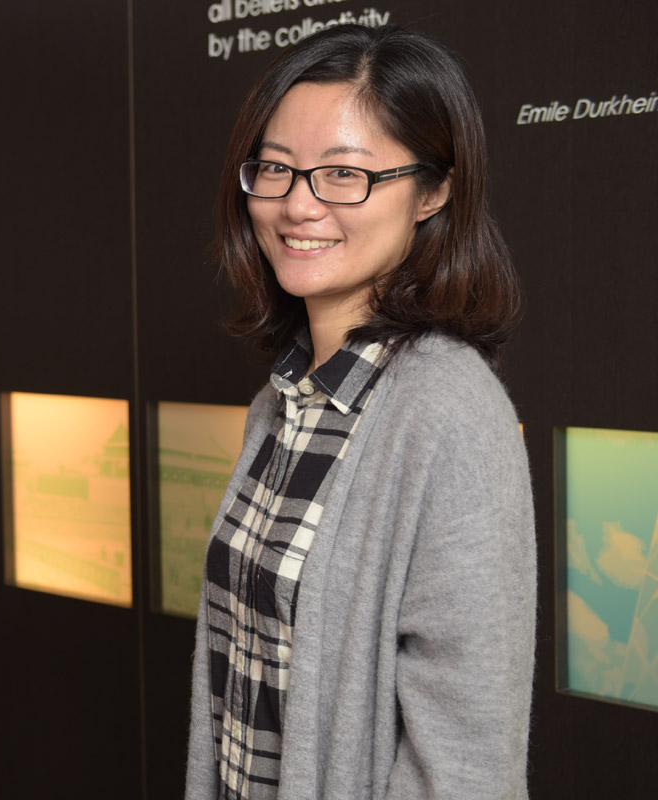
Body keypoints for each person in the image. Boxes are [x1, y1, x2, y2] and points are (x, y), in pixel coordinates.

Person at [184, 25, 534, 800]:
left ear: (435, 191)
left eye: (345, 174)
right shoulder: (280, 400)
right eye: (276, 169)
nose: (298, 205)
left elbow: (468, 765)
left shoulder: (448, 413)